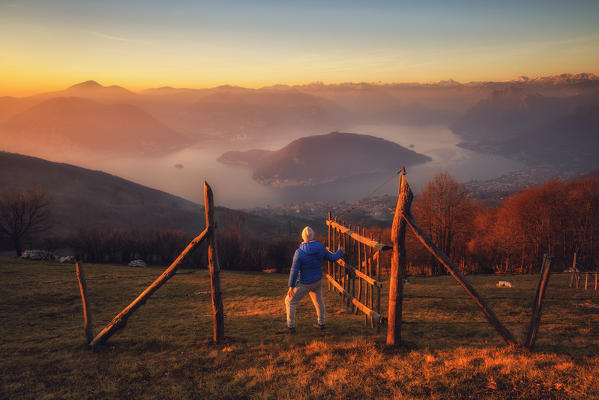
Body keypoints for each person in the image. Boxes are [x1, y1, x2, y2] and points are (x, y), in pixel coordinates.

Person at [281, 226, 344, 333]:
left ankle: (290, 327)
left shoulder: (299, 252)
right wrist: (340, 251)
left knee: (289, 301)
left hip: (305, 283)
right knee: (319, 302)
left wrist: (291, 286)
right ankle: (321, 323)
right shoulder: (320, 247)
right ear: (313, 235)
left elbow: (294, 270)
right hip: (317, 281)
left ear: (303, 237)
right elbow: (333, 258)